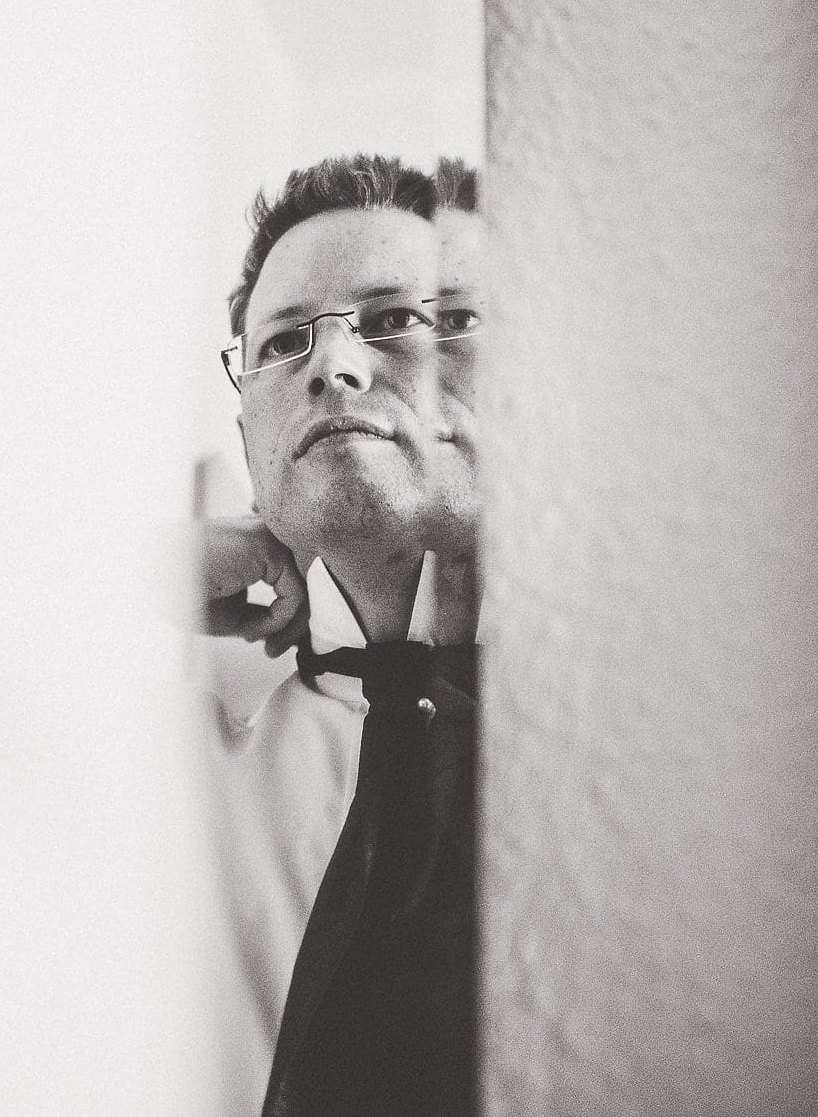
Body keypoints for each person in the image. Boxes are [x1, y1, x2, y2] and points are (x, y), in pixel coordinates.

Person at [194, 154, 480, 1116]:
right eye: (281, 343)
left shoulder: (694, 721)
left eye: (398, 320)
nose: (334, 365)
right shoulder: (176, 768)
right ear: (247, 441)